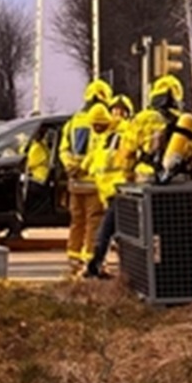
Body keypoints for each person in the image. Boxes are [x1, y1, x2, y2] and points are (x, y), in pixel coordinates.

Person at [119, 74, 192, 185]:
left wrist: (128, 178)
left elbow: (126, 155)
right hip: (179, 187)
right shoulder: (190, 123)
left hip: (146, 184)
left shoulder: (141, 119)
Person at [60, 79, 112, 268]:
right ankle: (90, 258)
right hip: (93, 182)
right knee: (94, 221)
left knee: (77, 220)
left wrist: (70, 166)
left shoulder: (73, 122)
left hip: (75, 182)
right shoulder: (102, 121)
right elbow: (100, 152)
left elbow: (63, 149)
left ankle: (73, 255)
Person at [82, 98, 133, 279]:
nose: (95, 129)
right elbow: (95, 162)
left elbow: (121, 161)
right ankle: (103, 268)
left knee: (107, 231)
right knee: (117, 233)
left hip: (119, 191)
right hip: (111, 193)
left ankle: (95, 267)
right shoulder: (105, 137)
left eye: (98, 125)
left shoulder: (121, 135)